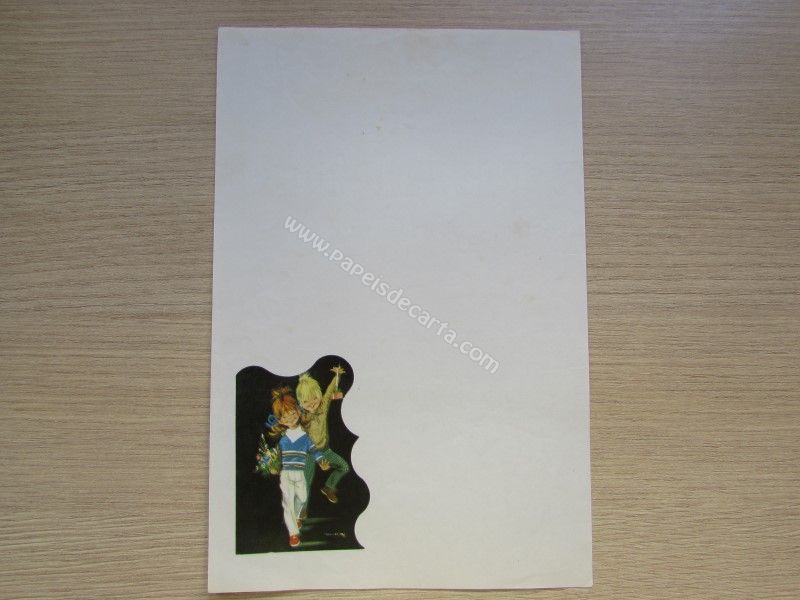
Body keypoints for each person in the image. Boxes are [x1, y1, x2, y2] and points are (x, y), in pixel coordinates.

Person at [260, 388, 329, 548]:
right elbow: (277, 456)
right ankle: (293, 534)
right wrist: (271, 465)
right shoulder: (283, 439)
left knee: (303, 498)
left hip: (300, 474)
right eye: (285, 417)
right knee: (288, 503)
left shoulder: (305, 437)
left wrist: (321, 461)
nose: (290, 418)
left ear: (298, 412)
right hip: (286, 474)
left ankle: (297, 516)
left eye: (292, 414)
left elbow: (314, 450)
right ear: (280, 420)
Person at [296, 366, 350, 504]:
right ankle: (301, 511)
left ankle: (328, 487)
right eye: (306, 401)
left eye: (314, 398)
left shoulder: (323, 406)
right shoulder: (302, 416)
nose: (311, 403)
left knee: (344, 467)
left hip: (324, 450)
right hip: (309, 453)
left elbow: (330, 390)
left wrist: (337, 376)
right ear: (301, 403)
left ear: (319, 396)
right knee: (306, 482)